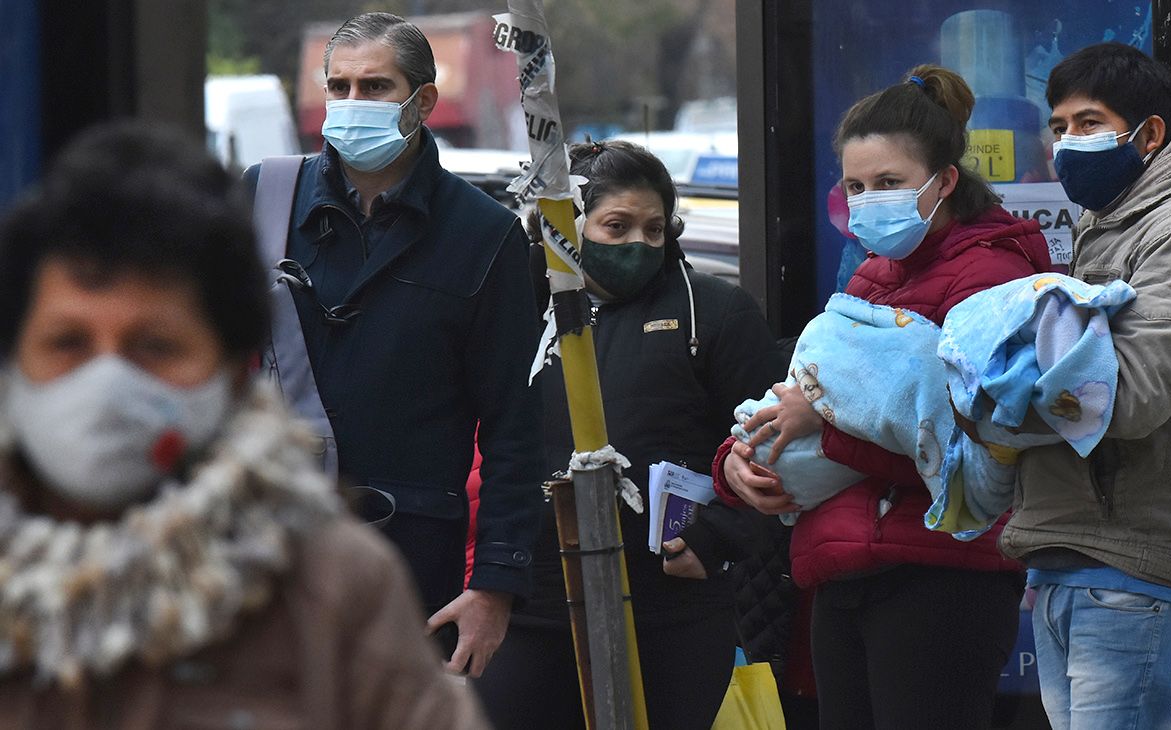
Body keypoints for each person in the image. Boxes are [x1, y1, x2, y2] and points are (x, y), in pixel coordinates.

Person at [0, 121, 487, 728]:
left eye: (155, 347)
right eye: (67, 343)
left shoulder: (334, 590)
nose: (107, 387)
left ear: (232, 371)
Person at [717, 65, 1053, 729]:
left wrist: (827, 422)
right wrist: (735, 463)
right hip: (842, 572)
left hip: (941, 578)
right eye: (856, 187)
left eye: (890, 184)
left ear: (945, 181)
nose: (870, 201)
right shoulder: (869, 278)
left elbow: (980, 458)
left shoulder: (994, 277)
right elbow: (803, 390)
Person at [243, 12, 543, 678]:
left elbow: (515, 426)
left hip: (414, 569)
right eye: (339, 87)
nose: (352, 106)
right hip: (271, 553)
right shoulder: (264, 197)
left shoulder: (485, 235)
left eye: (375, 87)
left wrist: (494, 585)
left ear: (423, 102)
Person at [472, 140, 787, 729]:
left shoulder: (714, 314)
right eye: (616, 226)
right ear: (566, 227)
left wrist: (716, 539)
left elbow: (774, 455)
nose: (637, 243)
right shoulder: (513, 315)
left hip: (672, 610)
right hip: (534, 606)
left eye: (654, 228)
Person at [1004, 43, 1171, 729]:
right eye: (1057, 127)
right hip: (1075, 564)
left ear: (1149, 134)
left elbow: (1127, 395)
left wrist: (998, 383)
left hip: (1134, 573)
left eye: (1088, 123)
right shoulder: (1109, 227)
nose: (1066, 143)